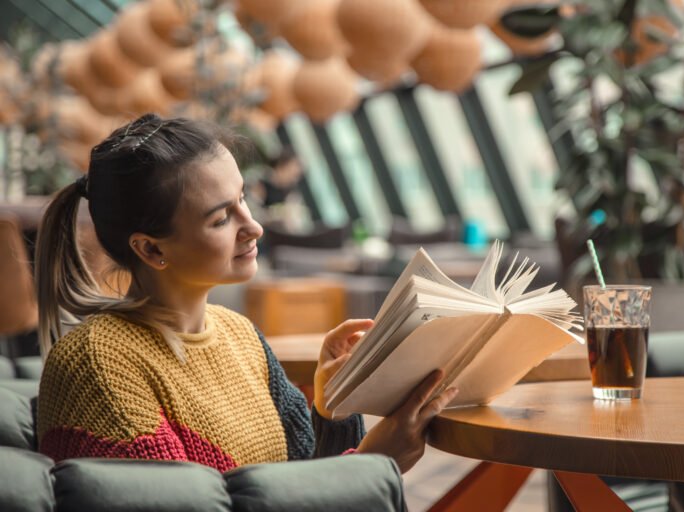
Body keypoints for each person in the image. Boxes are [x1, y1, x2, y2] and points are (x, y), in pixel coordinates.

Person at [34, 113, 457, 473]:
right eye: (222, 218)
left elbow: (302, 477)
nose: (253, 226)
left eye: (242, 198)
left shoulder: (241, 336)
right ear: (151, 248)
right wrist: (374, 463)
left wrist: (335, 407)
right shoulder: (98, 365)